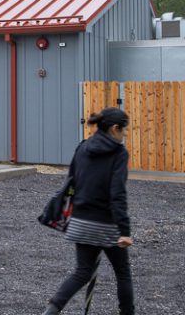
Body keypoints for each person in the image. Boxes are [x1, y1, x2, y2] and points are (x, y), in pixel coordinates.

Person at [41, 107, 134, 315]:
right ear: (114, 129)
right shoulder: (119, 153)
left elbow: (72, 181)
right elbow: (117, 194)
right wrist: (124, 231)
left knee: (82, 273)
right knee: (123, 274)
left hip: (80, 221)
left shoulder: (83, 147)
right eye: (124, 130)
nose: (126, 134)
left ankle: (50, 312)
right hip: (107, 225)